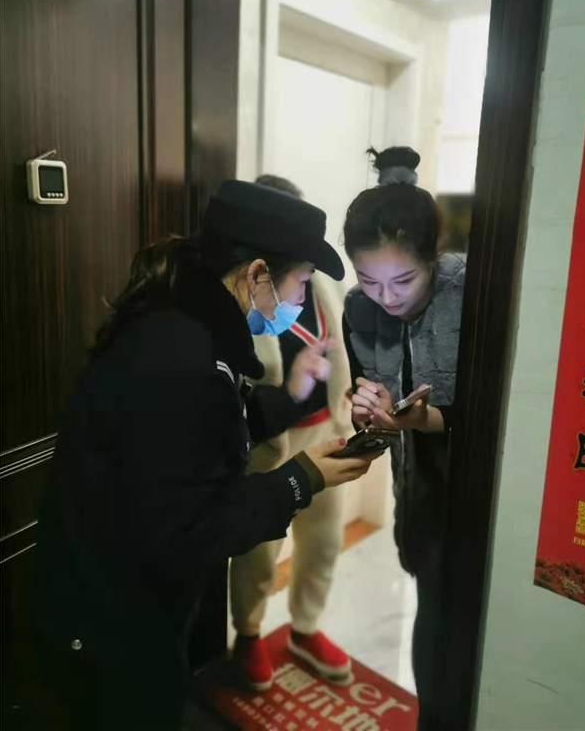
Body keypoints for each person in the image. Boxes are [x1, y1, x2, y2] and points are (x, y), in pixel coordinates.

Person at [31, 179, 382, 731]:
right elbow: (195, 525)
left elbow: (201, 439)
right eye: (300, 282)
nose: (299, 302)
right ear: (257, 274)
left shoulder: (185, 322)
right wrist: (301, 477)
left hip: (119, 604)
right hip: (110, 625)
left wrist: (287, 403)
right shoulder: (182, 357)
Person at [342, 147, 466, 730]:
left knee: (465, 627)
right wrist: (367, 413)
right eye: (368, 280)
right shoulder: (359, 312)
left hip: (476, 491)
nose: (386, 298)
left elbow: (489, 418)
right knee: (432, 616)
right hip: (416, 487)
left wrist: (422, 421)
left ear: (433, 259)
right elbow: (368, 408)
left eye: (404, 279)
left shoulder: (471, 294)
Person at [230, 175, 354, 690]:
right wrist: (292, 387)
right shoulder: (243, 299)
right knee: (259, 549)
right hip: (271, 441)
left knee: (323, 540)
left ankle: (305, 627)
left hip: (326, 428)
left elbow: (346, 347)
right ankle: (249, 633)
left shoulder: (322, 283)